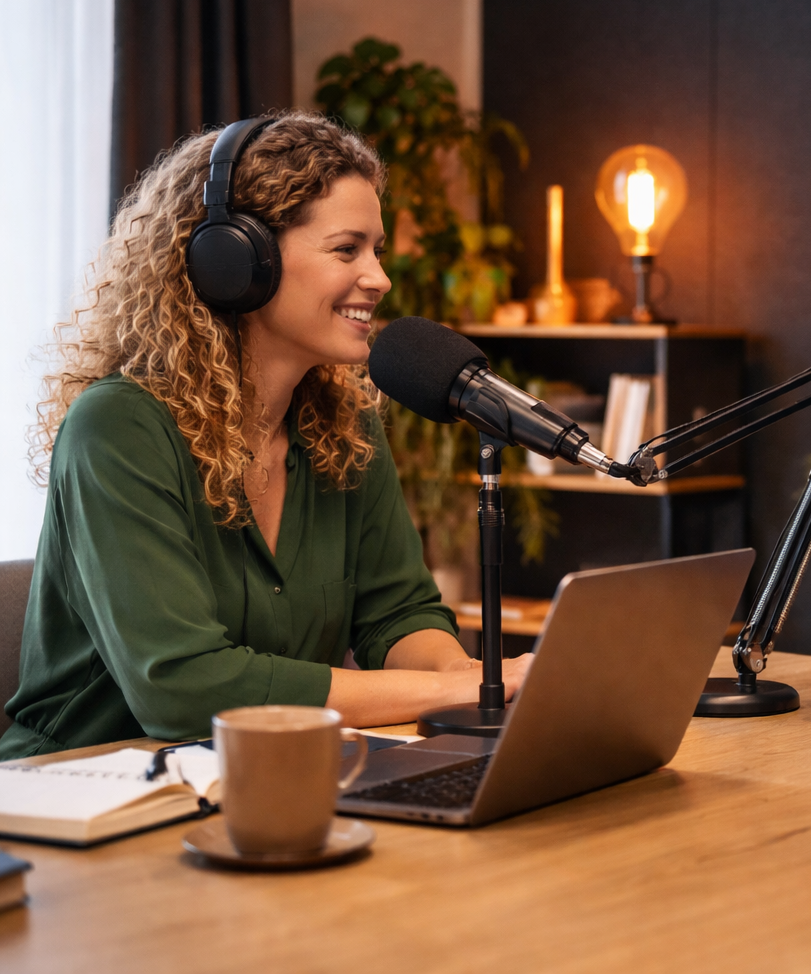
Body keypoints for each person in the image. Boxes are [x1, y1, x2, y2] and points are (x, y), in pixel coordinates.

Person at [0, 113, 530, 760]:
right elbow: (185, 689)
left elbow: (399, 613)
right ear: (235, 259)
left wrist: (466, 682)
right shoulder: (118, 428)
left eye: (377, 249)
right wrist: (455, 690)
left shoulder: (346, 428)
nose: (379, 278)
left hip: (267, 778)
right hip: (80, 803)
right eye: (346, 249)